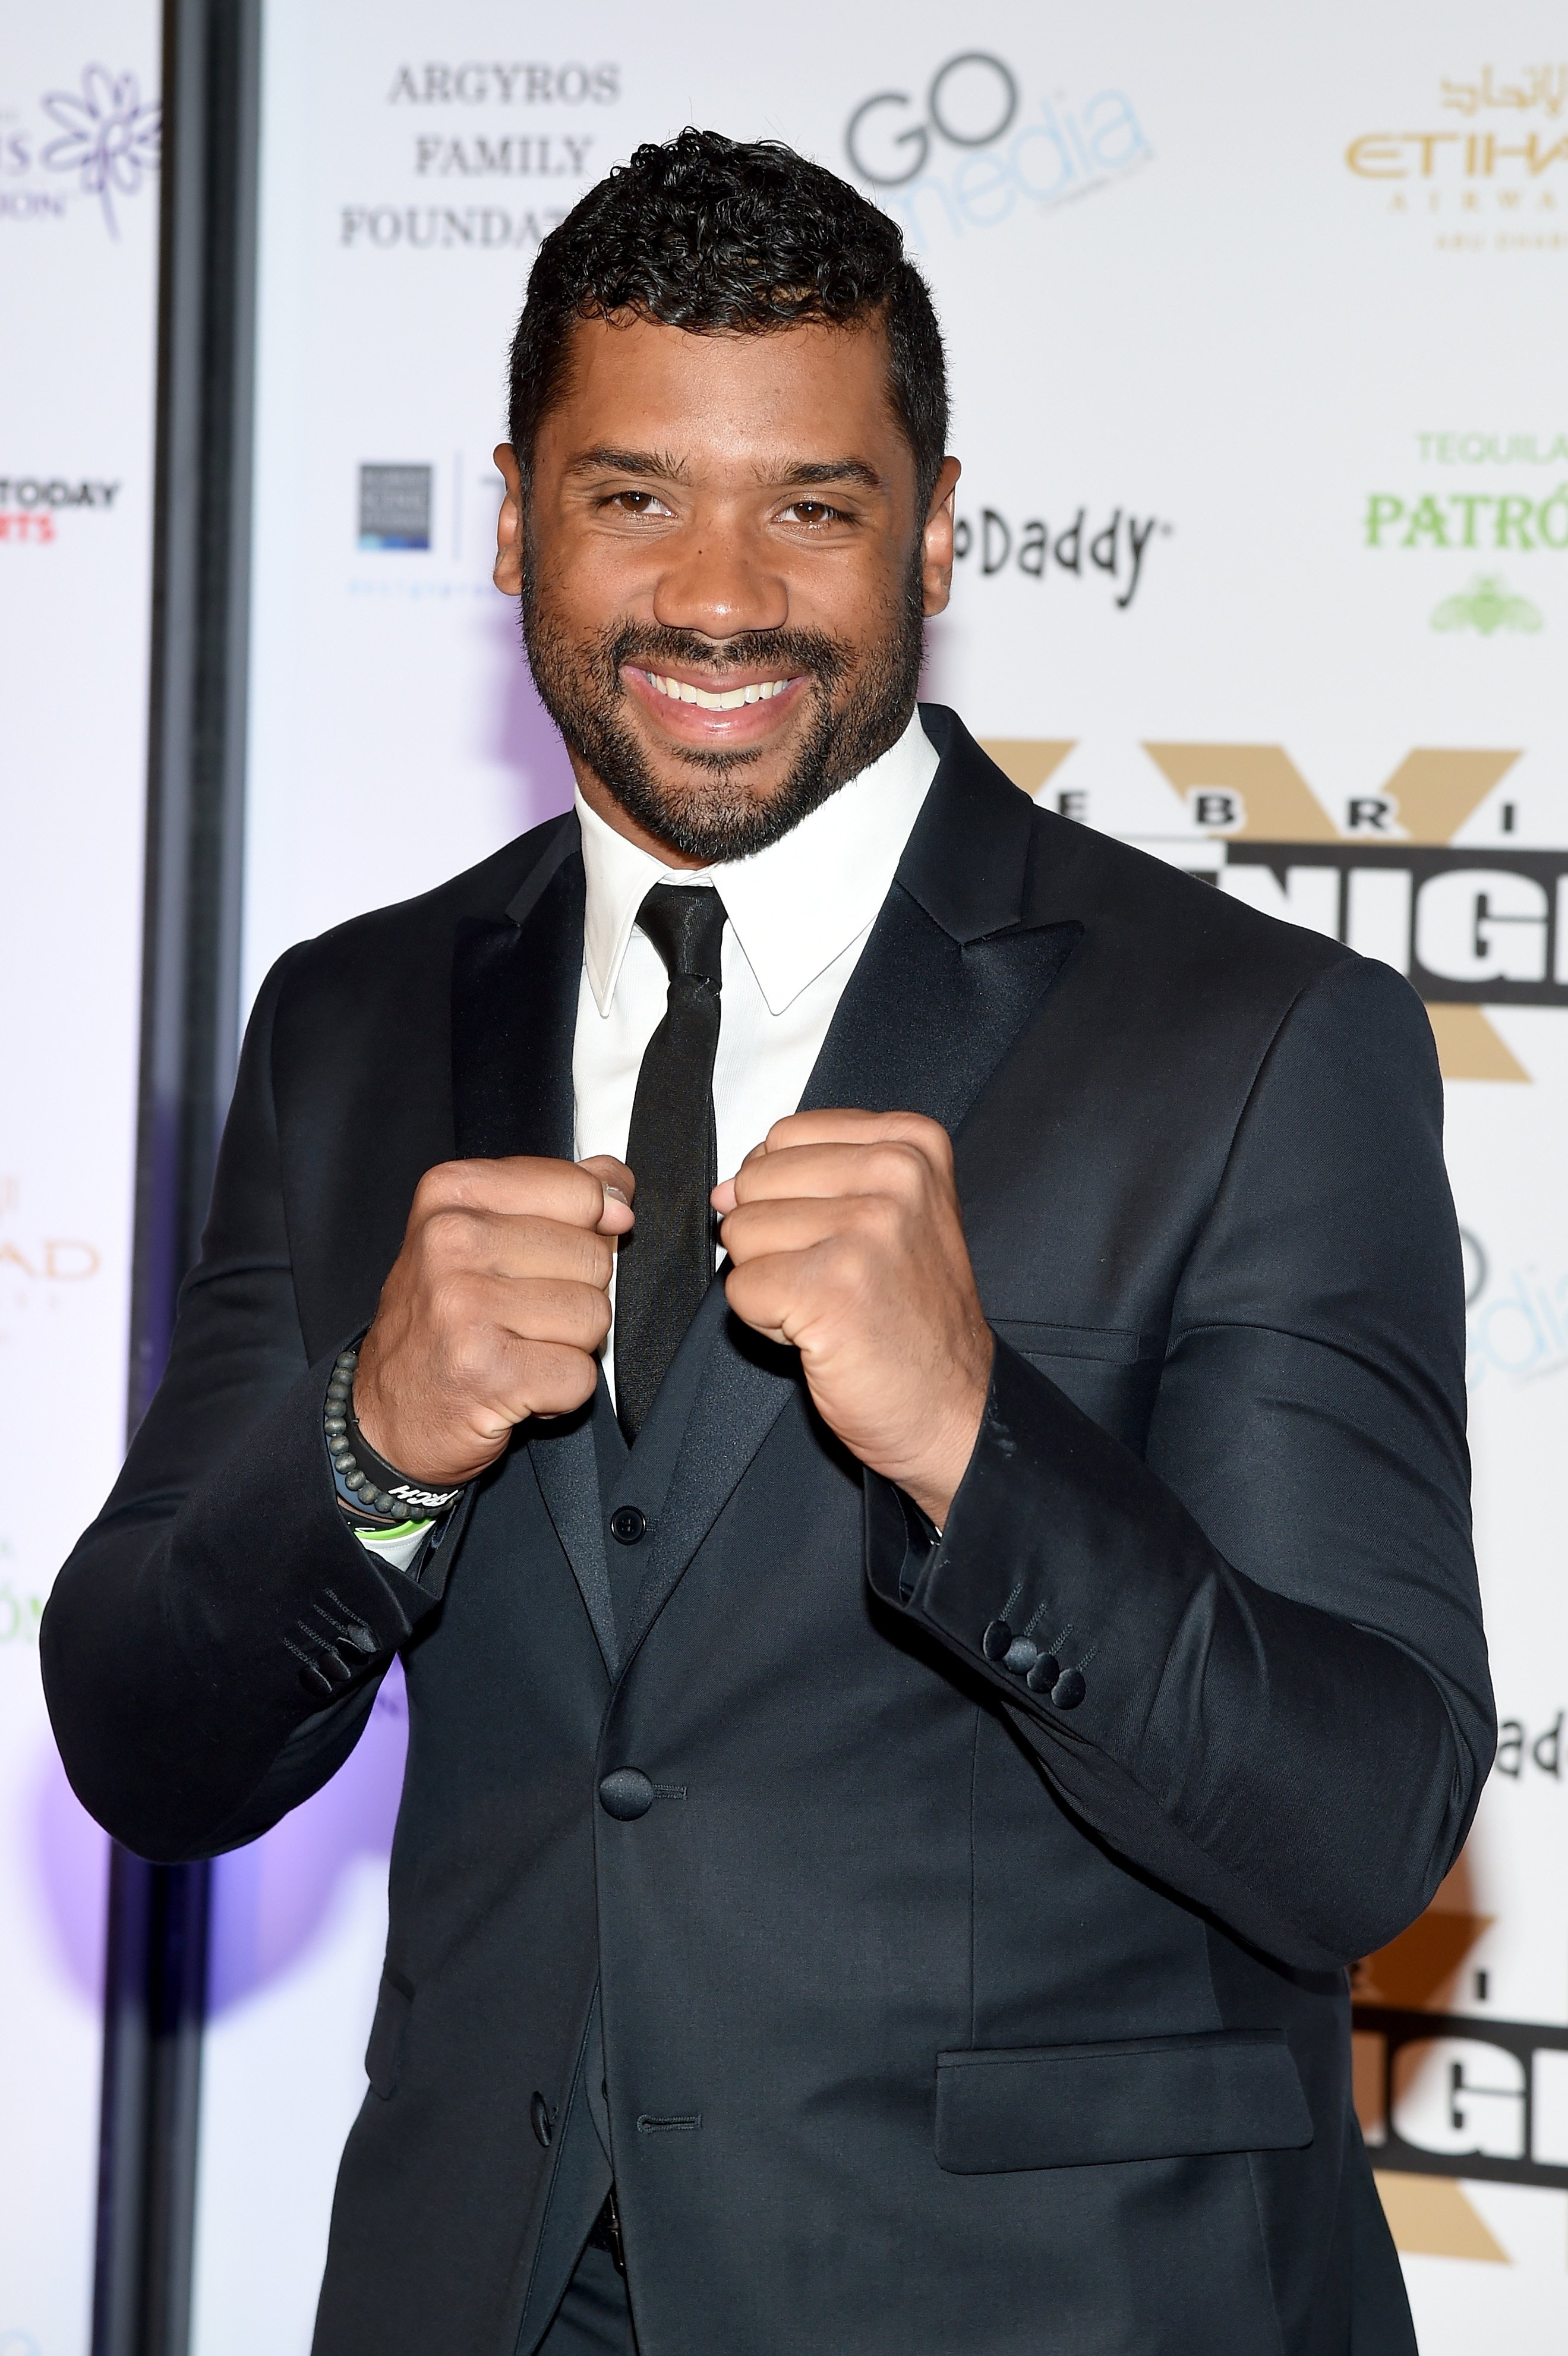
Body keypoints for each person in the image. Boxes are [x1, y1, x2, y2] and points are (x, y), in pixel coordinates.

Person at [45, 130, 1491, 2356]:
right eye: (634, 496)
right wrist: (374, 1446)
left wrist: (984, 1452)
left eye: (811, 506)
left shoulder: (1257, 1035)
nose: (718, 592)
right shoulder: (352, 1020)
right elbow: (143, 1733)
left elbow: (1360, 1824)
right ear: (515, 513)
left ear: (933, 527)